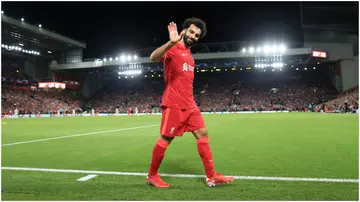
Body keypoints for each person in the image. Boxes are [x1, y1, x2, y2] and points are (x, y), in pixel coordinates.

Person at [146, 17, 235, 188]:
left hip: (190, 104)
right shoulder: (173, 48)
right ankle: (152, 175)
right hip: (174, 103)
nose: (194, 36)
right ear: (184, 30)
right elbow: (153, 57)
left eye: (197, 35)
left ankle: (211, 176)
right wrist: (170, 43)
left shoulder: (189, 55)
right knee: (166, 138)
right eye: (192, 31)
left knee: (203, 134)